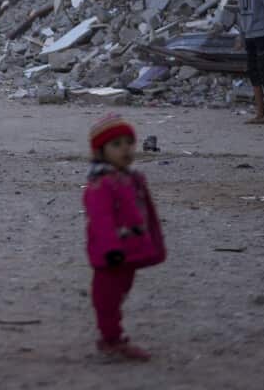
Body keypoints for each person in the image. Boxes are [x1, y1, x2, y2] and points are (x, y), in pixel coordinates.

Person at [84, 114, 166, 362]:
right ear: (100, 151)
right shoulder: (100, 185)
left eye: (129, 143)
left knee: (119, 294)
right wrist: (111, 250)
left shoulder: (129, 178)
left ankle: (112, 337)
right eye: (116, 144)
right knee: (106, 299)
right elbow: (101, 221)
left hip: (128, 252)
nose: (125, 149)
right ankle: (111, 340)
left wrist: (151, 243)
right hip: (110, 256)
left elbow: (143, 213)